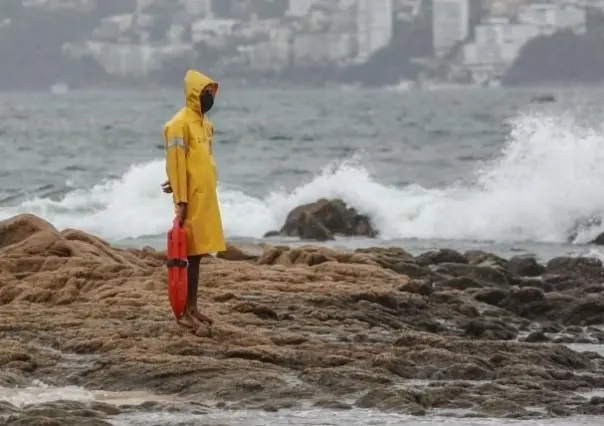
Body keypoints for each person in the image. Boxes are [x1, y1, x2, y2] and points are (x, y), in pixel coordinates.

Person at [161, 69, 225, 329]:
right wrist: (181, 198)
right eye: (206, 92)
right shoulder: (179, 124)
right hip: (191, 200)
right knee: (188, 256)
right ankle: (184, 311)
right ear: (194, 94)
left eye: (212, 92)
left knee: (198, 255)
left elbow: (199, 162)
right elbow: (176, 163)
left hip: (206, 197)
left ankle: (194, 307)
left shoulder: (205, 125)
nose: (210, 97)